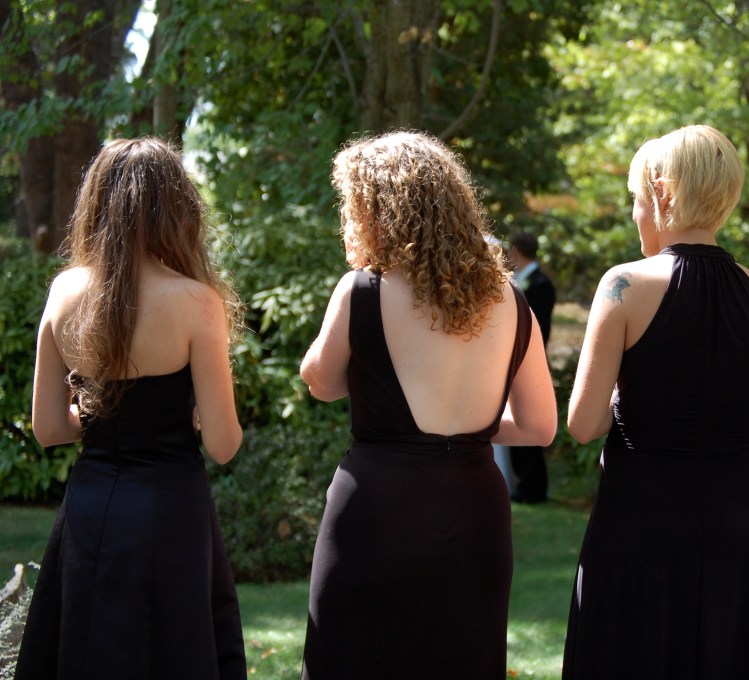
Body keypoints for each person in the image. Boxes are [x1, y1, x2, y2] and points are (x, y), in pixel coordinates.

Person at [299, 130, 557, 679]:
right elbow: (539, 426)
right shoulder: (512, 301)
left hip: (377, 508)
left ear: (376, 211)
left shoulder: (362, 289)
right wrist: (467, 425)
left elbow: (320, 381)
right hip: (474, 510)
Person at [561, 126, 749, 679]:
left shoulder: (624, 286)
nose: (635, 215)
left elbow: (583, 423)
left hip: (641, 521)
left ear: (661, 191)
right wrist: (724, 419)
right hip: (735, 525)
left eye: (635, 199)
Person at [15, 137, 246, 679]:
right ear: (176, 207)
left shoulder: (64, 292)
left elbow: (48, 427)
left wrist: (104, 420)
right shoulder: (196, 302)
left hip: (91, 507)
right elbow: (223, 443)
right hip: (171, 511)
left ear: (95, 201)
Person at [507, 231, 556, 503]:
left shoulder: (541, 284)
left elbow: (540, 328)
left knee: (529, 423)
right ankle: (523, 484)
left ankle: (533, 488)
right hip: (512, 359)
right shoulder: (518, 281)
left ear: (516, 250)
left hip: (529, 359)